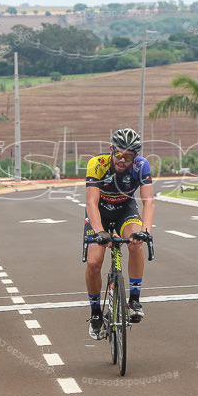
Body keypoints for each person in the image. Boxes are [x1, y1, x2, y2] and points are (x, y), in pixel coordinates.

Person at [84, 128, 155, 338]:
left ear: (136, 156)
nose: (123, 160)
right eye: (118, 154)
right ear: (111, 150)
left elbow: (148, 201)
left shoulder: (142, 165)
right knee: (94, 263)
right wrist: (99, 232)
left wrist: (146, 231)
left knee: (135, 243)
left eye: (129, 156)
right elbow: (91, 202)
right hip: (100, 211)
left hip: (125, 208)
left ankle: (134, 299)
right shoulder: (97, 164)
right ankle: (96, 312)